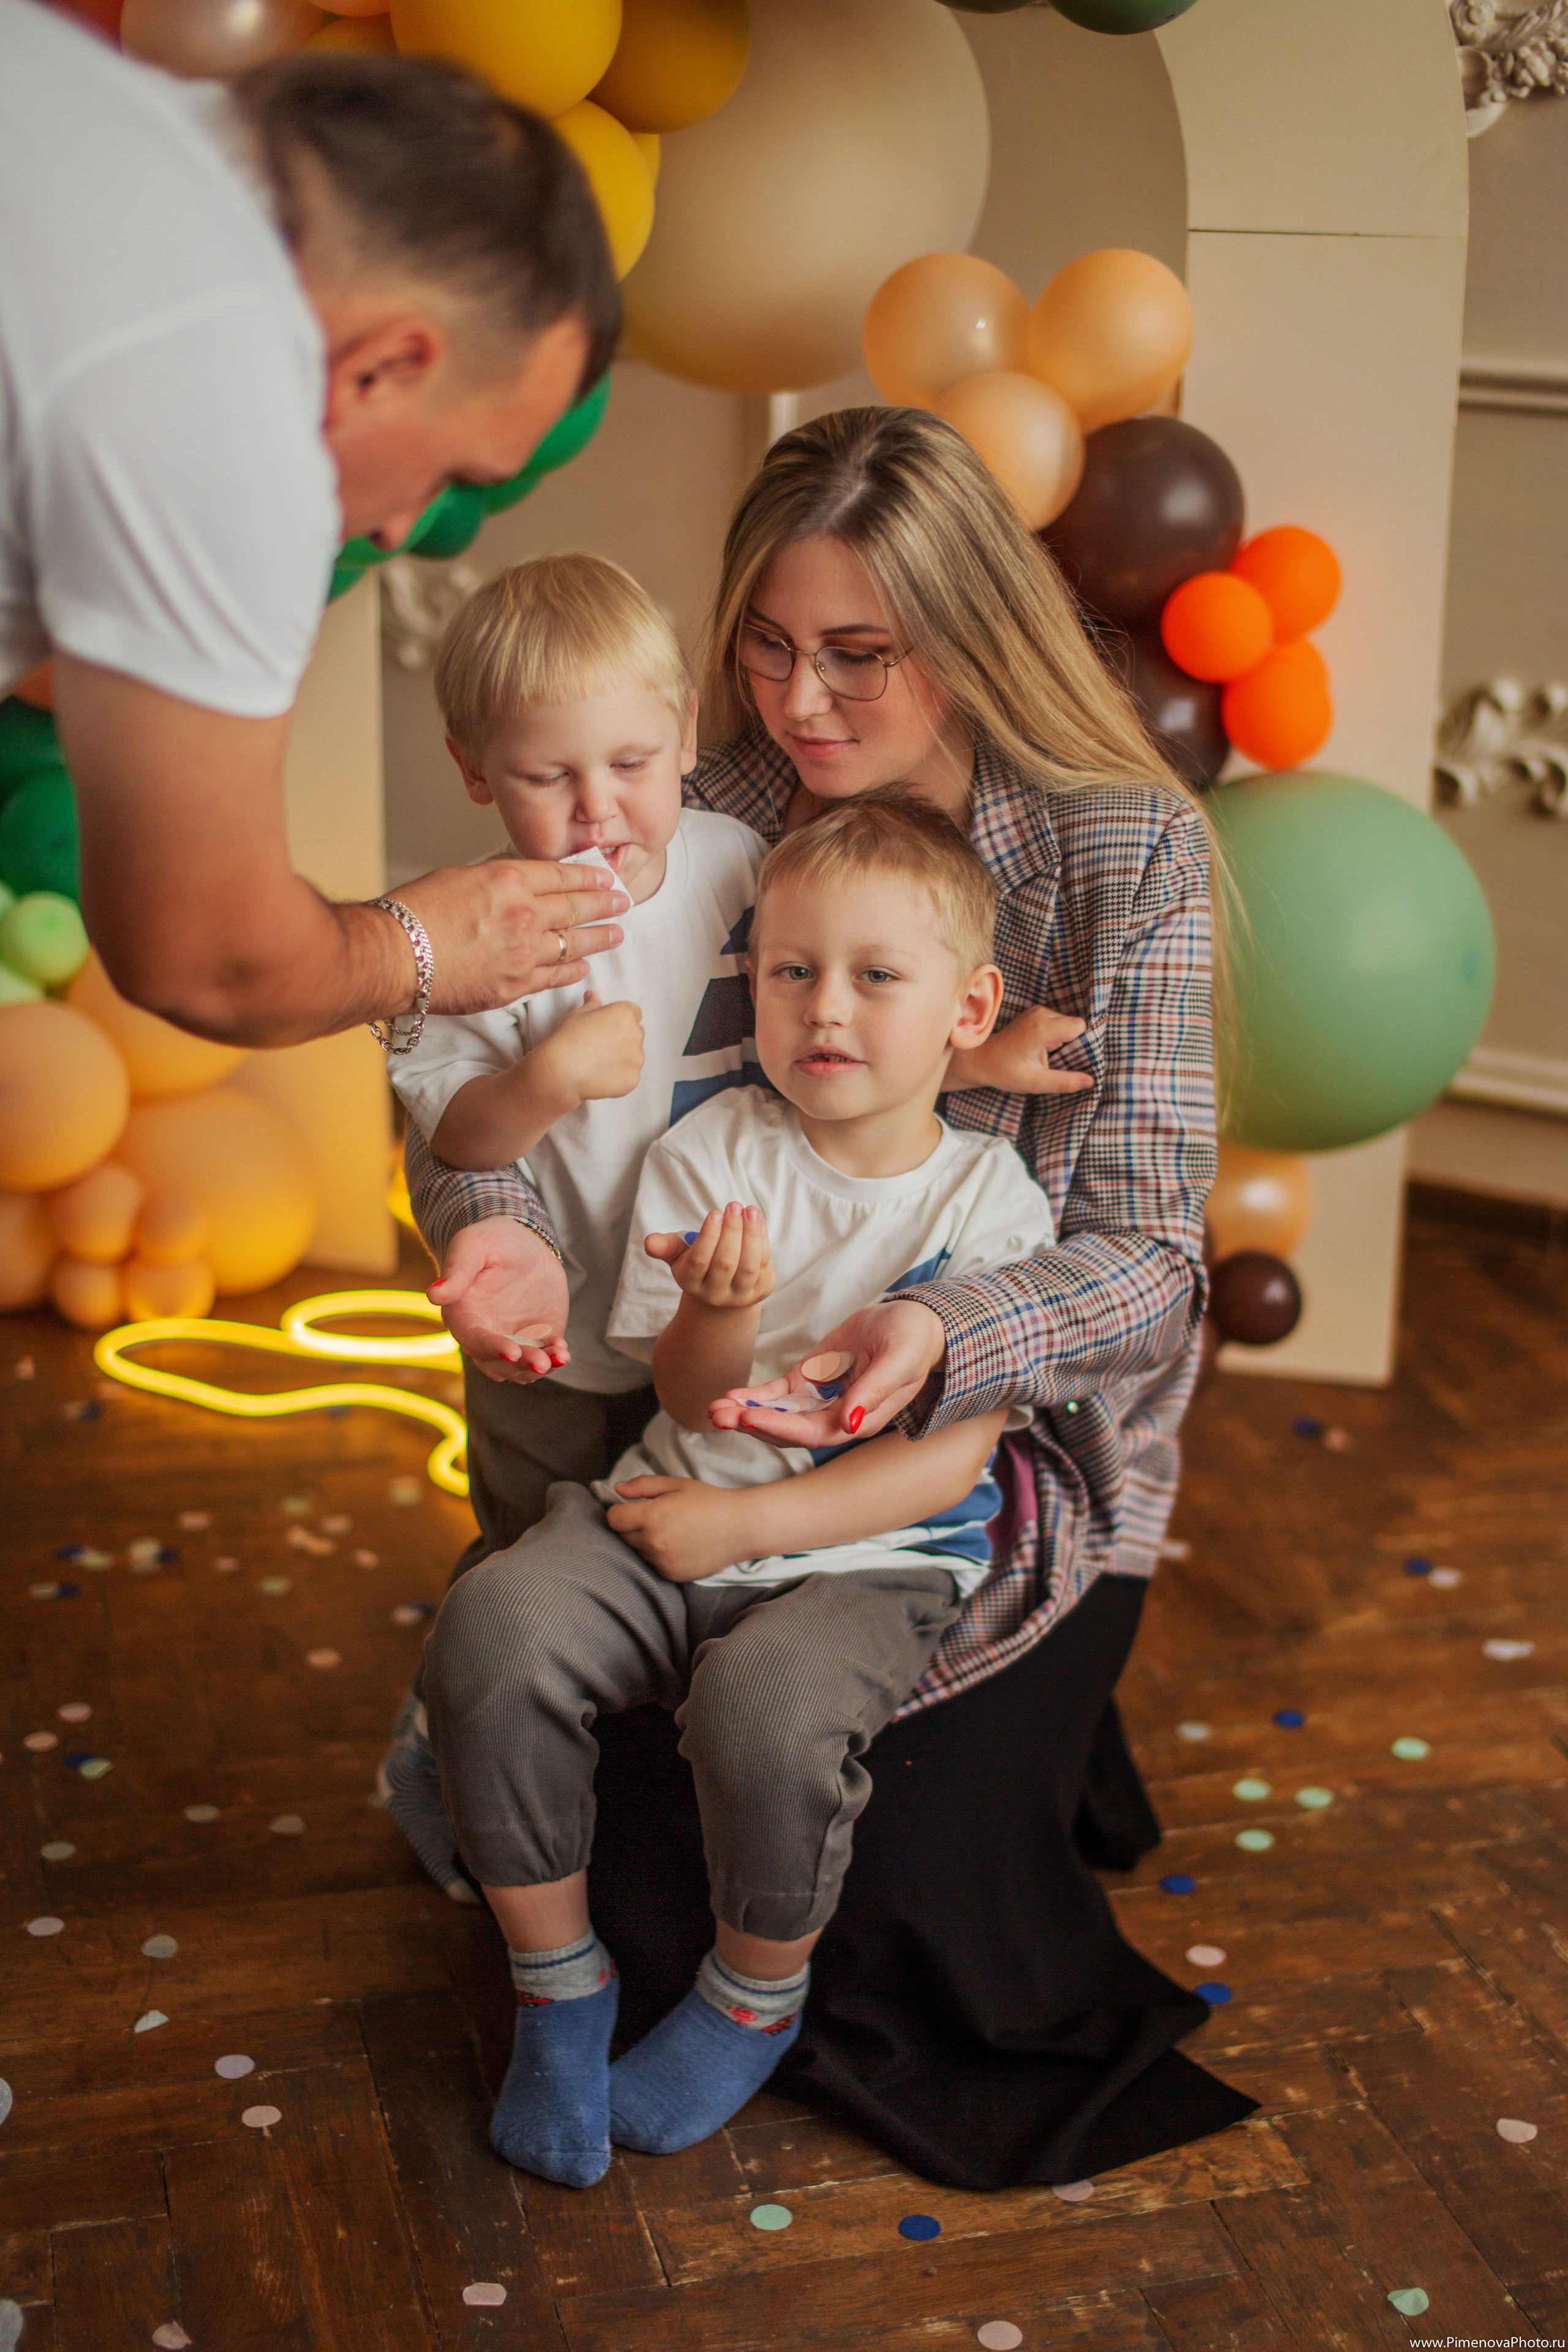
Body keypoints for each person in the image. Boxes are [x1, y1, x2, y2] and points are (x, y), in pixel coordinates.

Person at [410, 407, 1254, 2192]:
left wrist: (950, 1331)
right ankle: (571, 1967)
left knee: (872, 1857)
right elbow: (504, 1043)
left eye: (858, 656)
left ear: (969, 634)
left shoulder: (1131, 857)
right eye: (769, 650)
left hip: (995, 1461)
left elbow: (1152, 1262)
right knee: (597, 1774)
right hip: (708, 1420)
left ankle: (777, 1971)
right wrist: (484, 1219)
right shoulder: (708, 812)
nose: (800, 706)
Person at [379, 552, 1063, 1902]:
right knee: (528, 1580)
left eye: (630, 763)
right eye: (545, 778)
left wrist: (966, 1062)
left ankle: (644, 1826)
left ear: (687, 738)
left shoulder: (739, 864)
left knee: (682, 1586)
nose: (595, 812)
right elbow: (451, 1138)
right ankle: (452, 1761)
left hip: (720, 1324)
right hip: (560, 1341)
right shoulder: (467, 930)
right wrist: (542, 1081)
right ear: (473, 770)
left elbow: (827, 1018)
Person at [421, 791, 1056, 2187]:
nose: (824, 1009)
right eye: (788, 971)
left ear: (968, 1009)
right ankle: (558, 1981)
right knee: (494, 1627)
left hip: (869, 1546)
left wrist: (752, 1525)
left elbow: (948, 1457)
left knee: (768, 1716)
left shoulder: (985, 1202)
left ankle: (750, 1998)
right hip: (668, 1497)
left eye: (875, 977)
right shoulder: (713, 1153)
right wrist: (721, 1308)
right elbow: (685, 1396)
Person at [2, 5, 628, 1047]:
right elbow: (205, 958)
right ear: (386, 367)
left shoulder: (101, 114)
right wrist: (416, 945)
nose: (393, 536)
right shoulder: (231, 392)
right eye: (446, 469)